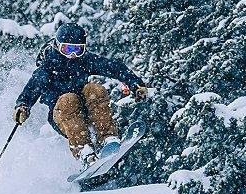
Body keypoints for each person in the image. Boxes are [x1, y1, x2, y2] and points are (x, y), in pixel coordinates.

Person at [13, 23, 148, 167]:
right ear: (57, 46)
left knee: (94, 89)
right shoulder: (47, 68)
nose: (72, 55)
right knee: (68, 99)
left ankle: (108, 138)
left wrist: (135, 84)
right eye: (67, 49)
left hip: (86, 111)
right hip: (63, 116)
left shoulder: (84, 61)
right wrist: (23, 106)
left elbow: (114, 67)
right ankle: (84, 151)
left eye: (77, 50)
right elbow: (31, 89)